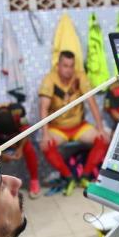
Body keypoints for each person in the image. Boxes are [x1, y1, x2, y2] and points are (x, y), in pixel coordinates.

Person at [39, 50, 109, 196]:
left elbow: (92, 102)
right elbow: (43, 109)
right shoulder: (49, 79)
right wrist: (45, 134)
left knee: (104, 138)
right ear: (58, 65)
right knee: (45, 145)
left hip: (78, 126)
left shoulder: (80, 76)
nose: (69, 70)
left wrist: (101, 127)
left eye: (71, 66)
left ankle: (85, 175)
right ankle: (68, 176)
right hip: (58, 128)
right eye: (65, 66)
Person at [0, 103, 41, 199]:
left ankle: (34, 180)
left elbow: (26, 133)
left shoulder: (19, 112)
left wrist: (20, 148)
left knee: (29, 147)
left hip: (16, 139)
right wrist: (0, 154)